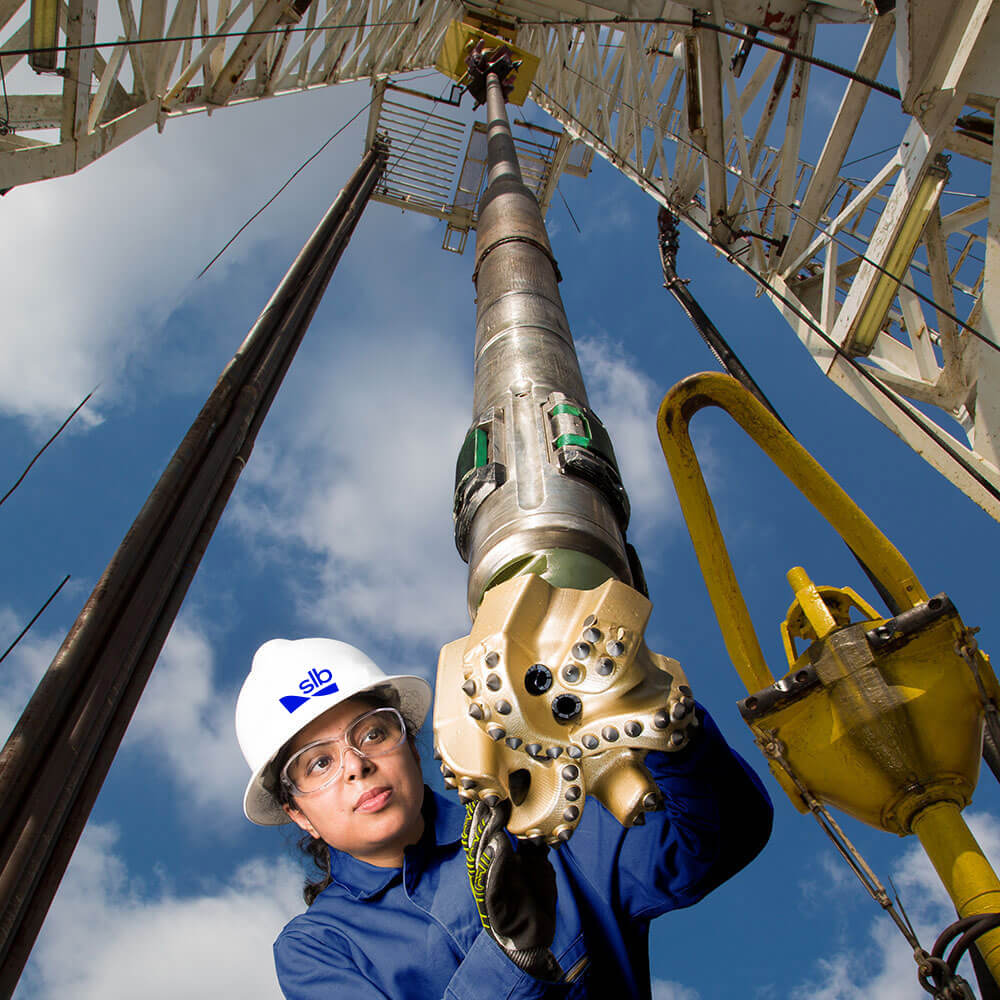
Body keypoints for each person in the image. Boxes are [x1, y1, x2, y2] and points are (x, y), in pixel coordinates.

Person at [235, 637, 773, 999]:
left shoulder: (537, 817)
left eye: (372, 732)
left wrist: (667, 729)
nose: (357, 766)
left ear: (410, 739)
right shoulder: (320, 947)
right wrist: (512, 958)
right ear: (297, 813)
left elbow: (721, 840)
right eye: (319, 764)